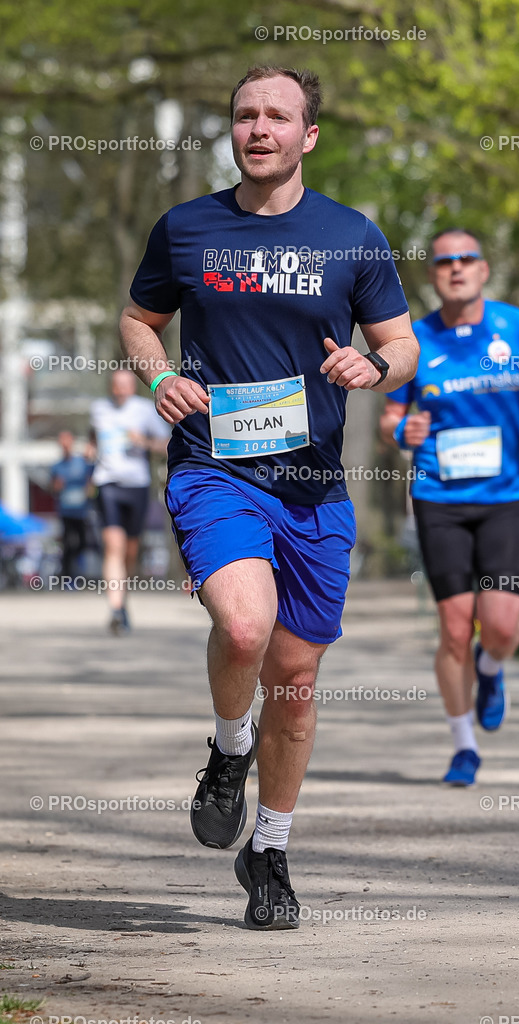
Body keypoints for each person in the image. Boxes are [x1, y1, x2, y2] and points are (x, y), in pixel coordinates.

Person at [119, 65, 419, 930]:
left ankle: (272, 850)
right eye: (245, 115)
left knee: (292, 675)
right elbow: (140, 320)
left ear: (307, 135)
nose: (259, 128)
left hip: (313, 482)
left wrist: (374, 366)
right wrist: (161, 375)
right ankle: (226, 750)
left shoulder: (351, 236)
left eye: (277, 116)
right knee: (245, 627)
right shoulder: (185, 229)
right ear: (233, 132)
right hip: (215, 465)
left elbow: (399, 346)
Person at [380, 228, 519, 787]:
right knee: (455, 629)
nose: (456, 268)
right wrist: (402, 431)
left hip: (503, 497)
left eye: (466, 259)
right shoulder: (414, 339)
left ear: (484, 269)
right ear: (433, 274)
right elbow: (392, 416)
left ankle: (492, 671)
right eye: (444, 262)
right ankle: (463, 746)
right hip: (438, 497)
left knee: (503, 627)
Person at [90, 369, 170, 634]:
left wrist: (144, 441)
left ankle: (122, 600)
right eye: (116, 385)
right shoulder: (98, 408)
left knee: (130, 551)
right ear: (111, 386)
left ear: (132, 387)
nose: (120, 389)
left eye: (125, 385)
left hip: (137, 485)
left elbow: (167, 444)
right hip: (107, 482)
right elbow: (94, 438)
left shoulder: (145, 410)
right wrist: (91, 450)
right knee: (114, 545)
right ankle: (115, 608)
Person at [50, 431, 93, 582]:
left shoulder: (82, 462)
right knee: (68, 543)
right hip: (65, 511)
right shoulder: (56, 467)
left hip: (81, 511)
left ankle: (79, 573)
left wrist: (89, 489)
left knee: (83, 542)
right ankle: (66, 576)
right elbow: (53, 489)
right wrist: (57, 487)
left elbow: (91, 479)